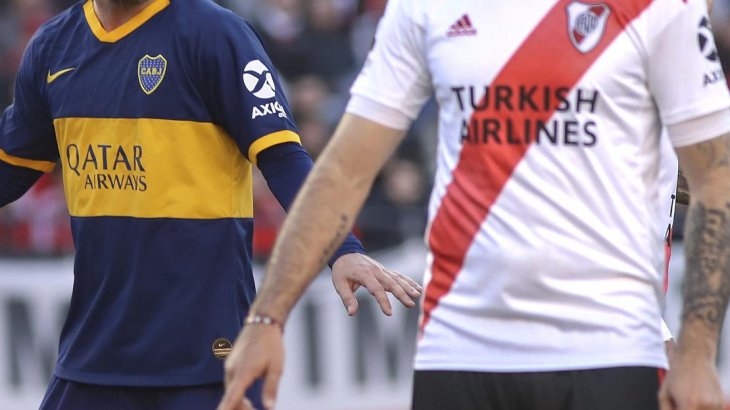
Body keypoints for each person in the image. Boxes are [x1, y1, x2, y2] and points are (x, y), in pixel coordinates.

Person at [219, 0, 730, 409]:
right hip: (459, 345)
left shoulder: (664, 9)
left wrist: (698, 352)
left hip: (611, 343)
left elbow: (714, 180)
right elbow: (343, 170)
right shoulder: (426, 7)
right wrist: (267, 319)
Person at [0, 0, 421, 408]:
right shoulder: (53, 47)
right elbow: (12, 167)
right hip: (96, 354)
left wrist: (341, 248)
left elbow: (284, 158)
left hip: (206, 355)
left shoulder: (216, 35)